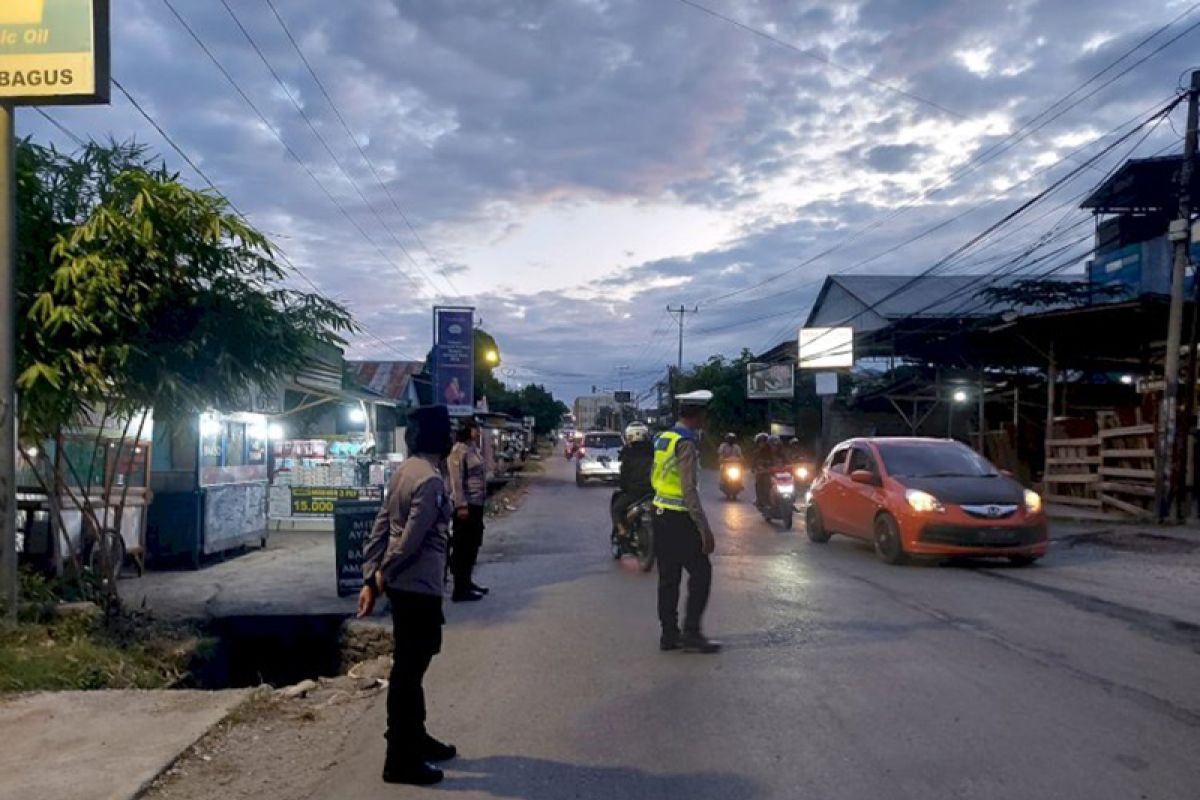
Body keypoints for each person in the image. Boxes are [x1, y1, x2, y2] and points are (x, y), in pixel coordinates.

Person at [358, 405, 456, 787]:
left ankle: (416, 739)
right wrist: (382, 576)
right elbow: (411, 541)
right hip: (418, 587)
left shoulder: (404, 471)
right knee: (409, 671)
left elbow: (380, 527)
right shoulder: (429, 481)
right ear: (440, 438)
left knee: (411, 667)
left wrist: (370, 576)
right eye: (447, 433)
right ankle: (399, 758)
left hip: (404, 588)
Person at [650, 390, 720, 654]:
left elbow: (655, 475)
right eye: (704, 415)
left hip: (660, 514)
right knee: (702, 572)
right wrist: (704, 528)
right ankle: (691, 633)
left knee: (668, 578)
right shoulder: (686, 443)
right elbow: (688, 489)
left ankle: (668, 636)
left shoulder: (663, 438)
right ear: (698, 415)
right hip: (680, 518)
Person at [447, 419, 488, 603]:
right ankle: (459, 588)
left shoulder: (473, 449)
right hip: (466, 506)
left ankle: (468, 582)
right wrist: (460, 505)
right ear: (467, 430)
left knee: (473, 544)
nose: (478, 431)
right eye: (475, 428)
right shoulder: (458, 451)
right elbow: (456, 480)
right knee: (462, 546)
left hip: (477, 504)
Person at [611, 423, 654, 547]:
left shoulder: (628, 453)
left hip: (634, 493)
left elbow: (624, 477)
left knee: (616, 509)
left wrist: (623, 486)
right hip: (653, 492)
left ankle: (622, 530)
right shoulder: (654, 451)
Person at [751, 432, 772, 509]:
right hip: (762, 473)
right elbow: (753, 463)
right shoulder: (756, 453)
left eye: (764, 441)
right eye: (761, 442)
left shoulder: (772, 451)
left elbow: (783, 459)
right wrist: (755, 468)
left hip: (773, 472)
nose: (762, 444)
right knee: (759, 482)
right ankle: (760, 500)